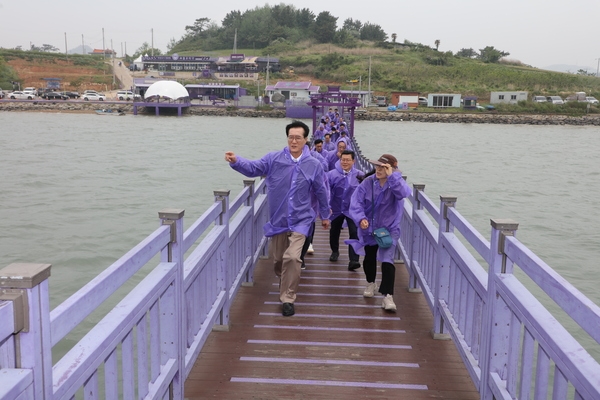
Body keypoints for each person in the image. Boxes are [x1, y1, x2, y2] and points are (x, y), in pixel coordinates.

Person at [225, 120, 331, 317]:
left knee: (292, 257)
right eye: (291, 137)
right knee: (279, 261)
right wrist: (236, 161)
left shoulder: (314, 165)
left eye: (298, 137)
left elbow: (321, 191)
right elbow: (254, 168)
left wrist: (325, 215)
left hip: (302, 219)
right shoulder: (274, 159)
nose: (294, 141)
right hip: (279, 220)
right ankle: (285, 282)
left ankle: (288, 298)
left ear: (305, 140)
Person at [347, 154, 411, 312]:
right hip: (369, 228)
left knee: (388, 260)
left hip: (389, 229)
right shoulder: (368, 183)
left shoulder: (396, 184)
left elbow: (404, 193)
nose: (379, 169)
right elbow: (356, 202)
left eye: (384, 167)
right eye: (377, 166)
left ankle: (388, 296)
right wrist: (361, 218)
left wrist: (393, 177)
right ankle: (371, 282)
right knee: (369, 258)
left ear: (392, 169)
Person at [327, 150, 364, 270]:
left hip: (352, 210)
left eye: (348, 160)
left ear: (353, 161)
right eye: (343, 160)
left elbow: (365, 193)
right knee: (334, 231)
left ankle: (353, 260)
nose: (345, 162)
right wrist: (327, 207)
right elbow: (327, 192)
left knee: (354, 232)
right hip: (336, 208)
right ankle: (335, 251)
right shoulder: (332, 174)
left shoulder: (360, 175)